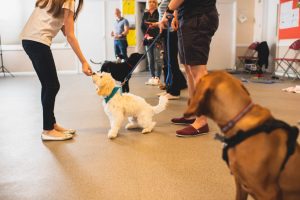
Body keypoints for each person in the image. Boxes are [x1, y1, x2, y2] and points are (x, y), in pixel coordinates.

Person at [20, 0, 92, 141]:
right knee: (52, 85)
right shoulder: (69, 1)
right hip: (38, 41)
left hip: (29, 40)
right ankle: (48, 130)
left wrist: (67, 28)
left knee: (48, 85)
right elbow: (70, 36)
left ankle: (51, 124)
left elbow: (62, 28)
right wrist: (84, 61)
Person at [160, 0, 219, 137]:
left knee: (198, 70)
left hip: (197, 17)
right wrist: (175, 14)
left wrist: (168, 11)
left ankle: (202, 121)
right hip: (188, 17)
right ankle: (192, 113)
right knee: (189, 69)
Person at [157, 0, 187, 100]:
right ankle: (169, 89)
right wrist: (159, 23)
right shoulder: (163, 1)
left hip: (172, 29)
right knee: (166, 60)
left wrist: (173, 18)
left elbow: (175, 9)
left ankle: (174, 92)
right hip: (165, 30)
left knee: (171, 60)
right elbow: (164, 16)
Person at [141, 0, 163, 86]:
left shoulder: (159, 13)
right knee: (150, 60)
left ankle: (157, 77)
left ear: (156, 4)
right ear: (148, 3)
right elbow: (142, 27)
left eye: (154, 2)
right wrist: (146, 36)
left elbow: (161, 25)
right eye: (150, 2)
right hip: (148, 40)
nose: (152, 3)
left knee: (157, 59)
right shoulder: (145, 14)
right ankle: (153, 76)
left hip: (157, 39)